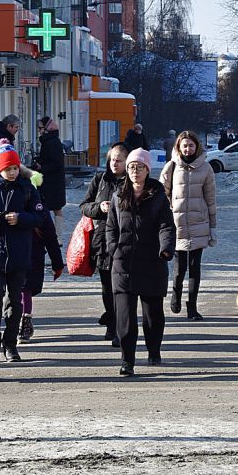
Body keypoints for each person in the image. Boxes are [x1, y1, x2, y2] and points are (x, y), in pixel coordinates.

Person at [106, 148, 175, 376]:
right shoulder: (118, 195)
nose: (135, 171)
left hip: (152, 262)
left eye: (140, 167)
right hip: (123, 263)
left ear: (148, 169)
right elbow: (111, 227)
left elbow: (166, 225)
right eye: (132, 167)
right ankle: (127, 361)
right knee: (124, 317)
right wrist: (113, 249)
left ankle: (154, 350)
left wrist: (165, 249)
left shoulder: (157, 196)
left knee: (152, 314)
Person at [0, 142, 44, 362]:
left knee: (14, 300)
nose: (12, 172)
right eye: (8, 169)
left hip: (19, 252)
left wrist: (21, 218)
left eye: (15, 168)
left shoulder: (27, 187)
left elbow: (40, 217)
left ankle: (10, 344)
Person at [160, 130, 217, 321]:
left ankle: (192, 307)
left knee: (195, 268)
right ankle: (175, 296)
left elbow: (210, 199)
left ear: (196, 146)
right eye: (184, 145)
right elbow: (161, 194)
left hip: (198, 224)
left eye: (191, 145)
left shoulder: (206, 168)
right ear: (178, 146)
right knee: (178, 269)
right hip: (177, 224)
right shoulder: (171, 167)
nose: (187, 148)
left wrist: (213, 227)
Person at [80, 143, 129, 345]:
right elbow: (84, 206)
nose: (114, 163)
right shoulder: (100, 180)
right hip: (101, 242)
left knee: (122, 287)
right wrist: (99, 207)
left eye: (119, 160)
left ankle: (120, 328)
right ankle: (111, 320)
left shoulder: (132, 181)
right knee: (107, 288)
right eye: (111, 159)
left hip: (124, 241)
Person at [19, 205, 64, 342]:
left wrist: (57, 264)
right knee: (17, 291)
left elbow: (50, 237)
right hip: (11, 255)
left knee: (23, 290)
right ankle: (20, 323)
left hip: (31, 255)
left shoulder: (38, 209)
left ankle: (24, 321)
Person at [34, 116, 67, 235]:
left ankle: (57, 235)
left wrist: (41, 167)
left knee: (55, 208)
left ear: (47, 128)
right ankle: (52, 234)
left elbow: (56, 163)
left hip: (53, 182)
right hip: (50, 180)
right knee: (51, 207)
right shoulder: (48, 140)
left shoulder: (52, 142)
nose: (39, 130)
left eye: (40, 128)